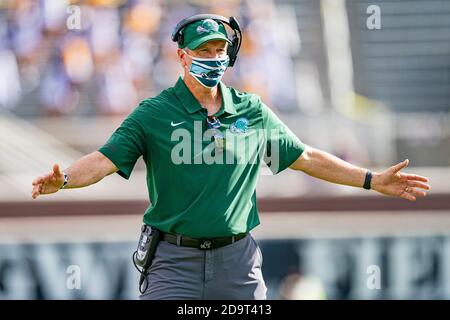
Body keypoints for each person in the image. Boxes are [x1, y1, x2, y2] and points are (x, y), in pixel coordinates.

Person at [30, 14, 431, 300]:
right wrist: (64, 179)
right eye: (204, 49)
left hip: (237, 260)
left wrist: (370, 180)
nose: (214, 56)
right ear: (183, 57)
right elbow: (103, 160)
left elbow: (304, 157)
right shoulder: (154, 114)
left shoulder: (250, 110)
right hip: (174, 261)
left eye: (220, 48)